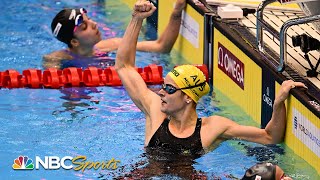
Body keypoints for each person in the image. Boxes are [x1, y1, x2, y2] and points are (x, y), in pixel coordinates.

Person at [115, 0, 307, 156]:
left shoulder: (213, 128)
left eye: (170, 89)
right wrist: (136, 19)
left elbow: (269, 137)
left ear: (188, 97)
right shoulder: (155, 111)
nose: (161, 92)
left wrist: (278, 104)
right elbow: (124, 67)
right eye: (163, 86)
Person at [43, 0, 186, 68]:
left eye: (90, 19)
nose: (94, 24)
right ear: (74, 42)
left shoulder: (112, 45)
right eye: (84, 26)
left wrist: (177, 12)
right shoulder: (56, 60)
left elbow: (161, 47)